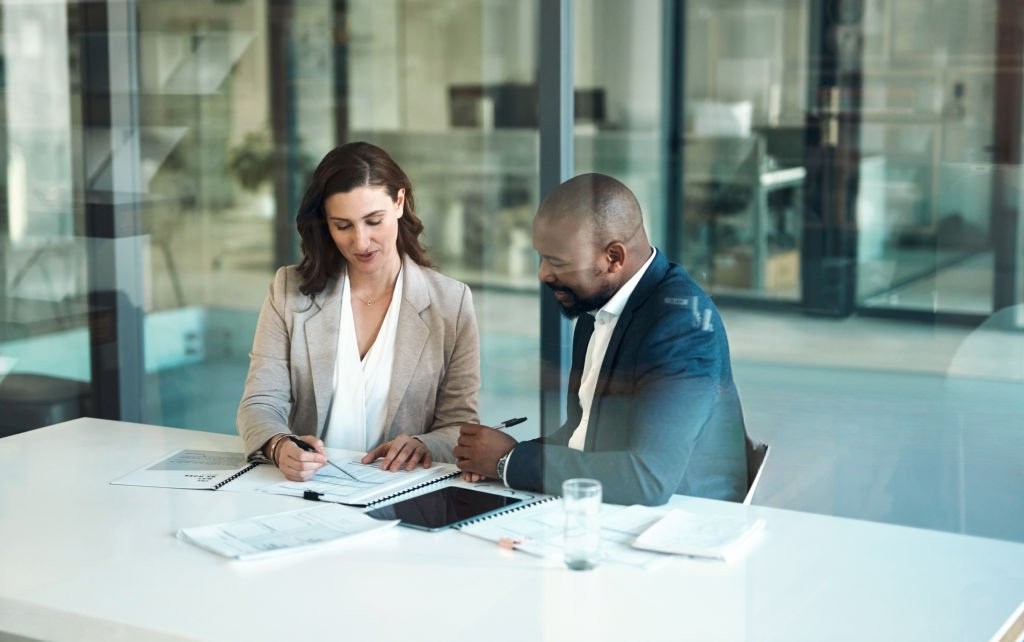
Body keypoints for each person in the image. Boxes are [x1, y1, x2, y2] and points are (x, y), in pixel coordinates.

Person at [454, 173, 747, 505]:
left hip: (681, 525)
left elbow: (646, 478)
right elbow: (584, 433)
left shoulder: (681, 327)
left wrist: (510, 461)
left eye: (558, 262)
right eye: (541, 257)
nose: (543, 274)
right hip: (612, 512)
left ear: (614, 258)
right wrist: (501, 455)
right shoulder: (599, 305)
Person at [237, 142, 480, 481]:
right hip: (308, 490)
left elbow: (460, 424)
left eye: (373, 221)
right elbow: (260, 403)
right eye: (343, 225)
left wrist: (425, 444)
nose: (361, 242)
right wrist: (279, 445)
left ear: (399, 202)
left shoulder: (451, 303)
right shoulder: (288, 291)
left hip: (402, 492)